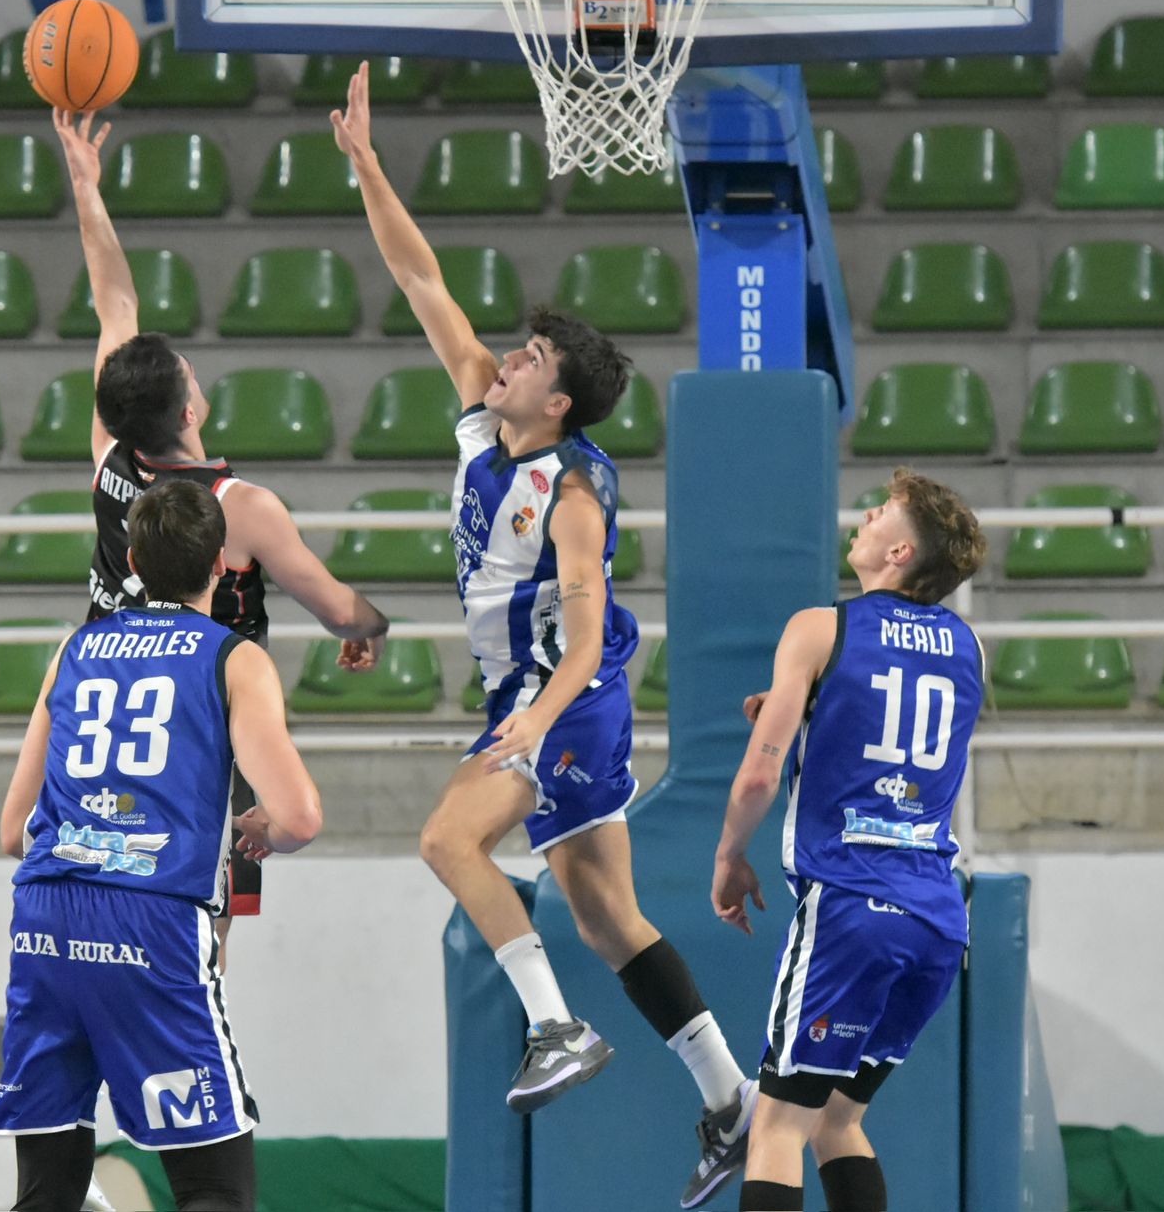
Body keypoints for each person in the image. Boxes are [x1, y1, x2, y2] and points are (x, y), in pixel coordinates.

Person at [332, 62, 755, 1203]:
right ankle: (728, 1100)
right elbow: (418, 276)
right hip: (535, 691)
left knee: (446, 842)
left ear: (557, 401)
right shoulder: (483, 421)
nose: (504, 357)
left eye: (527, 359)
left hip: (566, 693)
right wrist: (367, 165)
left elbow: (577, 645)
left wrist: (530, 721)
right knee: (605, 909)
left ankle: (553, 1027)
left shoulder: (571, 493)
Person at [51, 106, 388, 942]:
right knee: (202, 928)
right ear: (187, 406)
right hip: (203, 713)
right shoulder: (241, 508)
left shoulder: (108, 454)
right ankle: (198, 1071)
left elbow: (113, 300)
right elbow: (337, 608)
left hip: (107, 708)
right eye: (188, 372)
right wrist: (372, 626)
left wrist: (86, 189)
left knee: (110, 913)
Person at [0, 481, 324, 1212]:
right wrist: (257, 825)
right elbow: (299, 818)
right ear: (224, 566)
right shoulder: (234, 659)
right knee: (213, 1191)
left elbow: (13, 831)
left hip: (46, 922)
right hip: (152, 925)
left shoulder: (74, 649)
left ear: (132, 558)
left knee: (45, 1194)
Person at [712, 471, 987, 1212]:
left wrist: (730, 853)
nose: (865, 515)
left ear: (899, 551)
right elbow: (896, 734)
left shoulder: (820, 627)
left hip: (851, 905)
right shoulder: (969, 647)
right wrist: (806, 707)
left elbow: (755, 782)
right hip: (936, 919)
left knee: (774, 1127)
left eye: (883, 512)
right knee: (838, 1120)